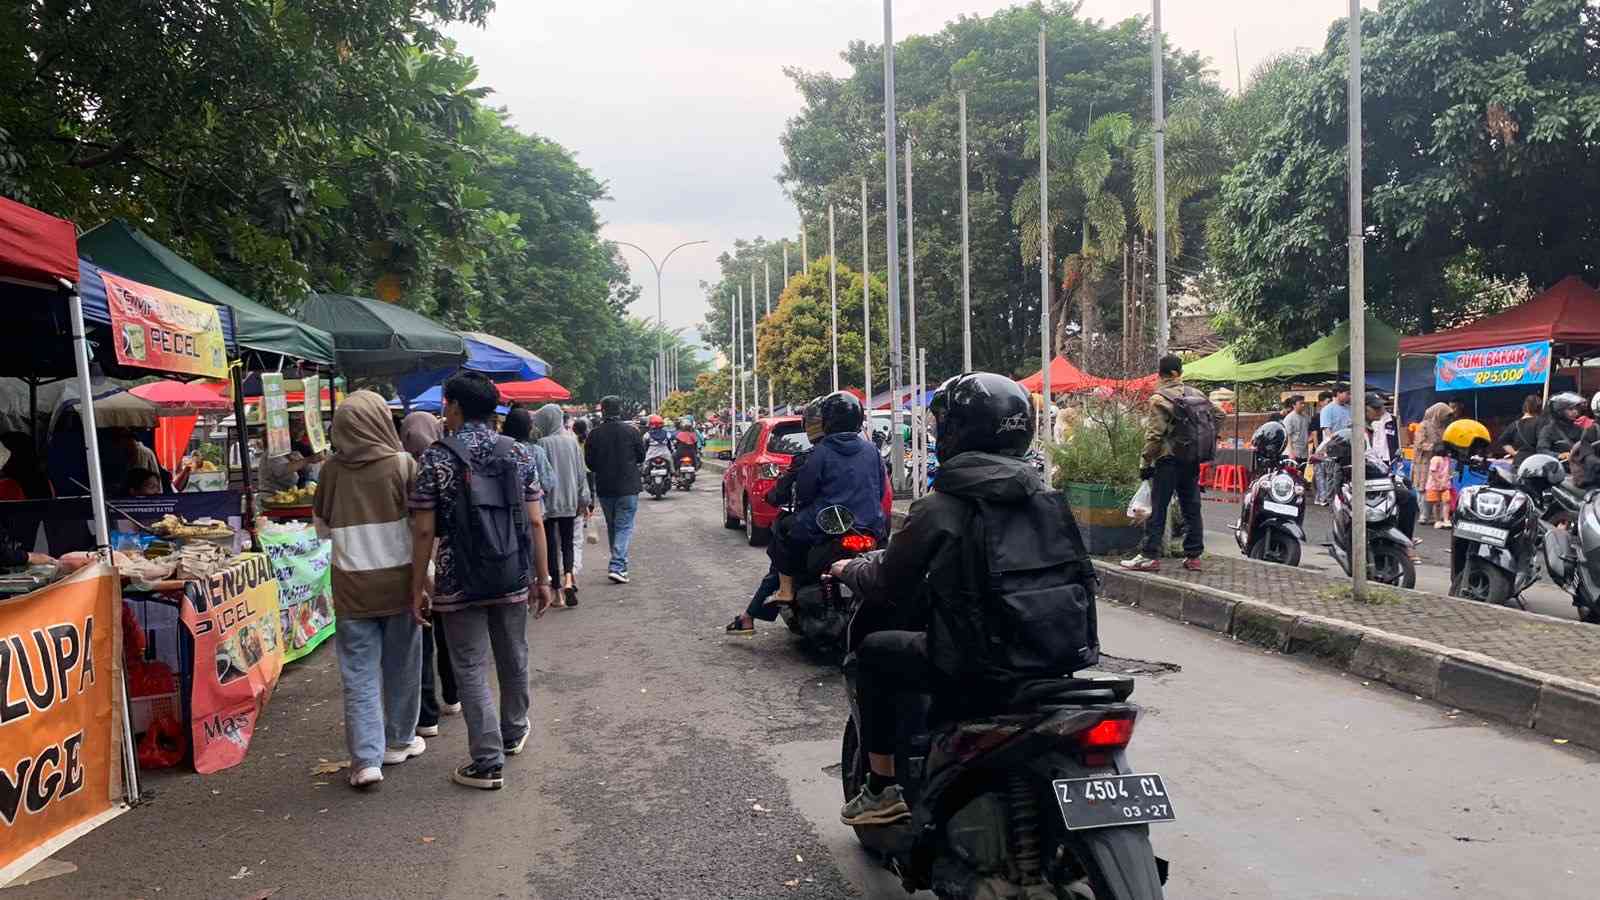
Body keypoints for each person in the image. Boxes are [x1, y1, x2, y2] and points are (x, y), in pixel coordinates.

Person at [828, 373, 1098, 825]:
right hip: (1055, 656)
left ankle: (880, 789)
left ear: (954, 433)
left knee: (873, 654)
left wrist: (847, 568)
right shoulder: (1049, 500)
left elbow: (889, 582)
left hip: (976, 661)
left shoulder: (940, 507)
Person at [409, 371, 552, 791]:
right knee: (513, 654)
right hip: (510, 570)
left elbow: (422, 531)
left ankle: (487, 762)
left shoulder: (435, 458)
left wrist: (417, 584)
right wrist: (543, 578)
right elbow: (535, 520)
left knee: (469, 664)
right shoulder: (517, 453)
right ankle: (514, 730)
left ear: (452, 406)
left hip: (457, 577)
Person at [313, 391, 425, 790]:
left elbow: (321, 527)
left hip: (351, 588)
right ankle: (399, 740)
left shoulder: (331, 472)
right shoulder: (402, 465)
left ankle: (365, 760)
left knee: (358, 674)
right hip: (399, 584)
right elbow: (421, 526)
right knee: (403, 666)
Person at [768, 392, 886, 604]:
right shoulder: (872, 451)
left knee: (782, 528)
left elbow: (805, 492)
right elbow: (880, 491)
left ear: (826, 421)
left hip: (826, 524)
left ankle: (786, 590)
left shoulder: (820, 452)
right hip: (870, 525)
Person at [1120, 354, 1222, 573]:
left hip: (1167, 460)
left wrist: (1146, 461)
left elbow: (1154, 436)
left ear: (1161, 374)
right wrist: (1203, 437)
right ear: (1179, 372)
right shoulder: (1197, 394)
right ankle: (1193, 556)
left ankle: (1149, 556)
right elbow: (1219, 415)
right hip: (1192, 459)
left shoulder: (1160, 399)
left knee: (1158, 507)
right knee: (1191, 507)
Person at [400, 411, 458, 738]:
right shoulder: (444, 459)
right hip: (443, 559)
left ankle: (427, 716)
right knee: (447, 633)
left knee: (421, 640)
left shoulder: (400, 465)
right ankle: (453, 696)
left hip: (413, 560)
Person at [533, 403, 589, 608]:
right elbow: (581, 473)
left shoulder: (541, 444)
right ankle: (568, 579)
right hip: (569, 501)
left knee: (550, 546)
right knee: (568, 543)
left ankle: (557, 593)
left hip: (548, 503)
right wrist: (584, 501)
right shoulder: (572, 443)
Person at [584, 396, 644, 584]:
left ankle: (619, 565)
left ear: (602, 411)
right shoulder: (632, 431)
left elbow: (590, 463)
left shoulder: (594, 434)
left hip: (605, 487)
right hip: (628, 487)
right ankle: (617, 566)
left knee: (613, 526)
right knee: (624, 526)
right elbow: (641, 456)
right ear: (620, 411)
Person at [1314, 386, 1352, 505]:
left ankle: (1344, 499)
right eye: (1347, 393)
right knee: (1332, 475)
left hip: (1348, 448)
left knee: (1346, 474)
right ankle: (1331, 501)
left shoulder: (1349, 409)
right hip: (1334, 448)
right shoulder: (1327, 409)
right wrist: (1336, 443)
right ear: (1338, 393)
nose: (1349, 396)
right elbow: (1327, 430)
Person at [571, 416, 597, 577]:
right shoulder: (589, 439)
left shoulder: (573, 441)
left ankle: (585, 514)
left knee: (581, 493)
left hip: (578, 472)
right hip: (589, 470)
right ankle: (589, 515)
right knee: (591, 493)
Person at [1498, 394, 1545, 467]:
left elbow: (1502, 441)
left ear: (1524, 407)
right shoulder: (1541, 422)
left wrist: (1514, 453)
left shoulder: (1514, 425)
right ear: (1539, 408)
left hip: (1519, 462)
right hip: (1537, 462)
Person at [1538, 392, 1587, 458]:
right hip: (1560, 465)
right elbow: (1542, 450)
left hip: (1578, 465)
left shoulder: (1578, 428)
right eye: (1570, 409)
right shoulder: (1548, 430)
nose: (1575, 412)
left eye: (1576, 408)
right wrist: (1559, 455)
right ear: (1559, 411)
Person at [1282, 395, 1311, 462]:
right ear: (1294, 405)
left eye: (1304, 403)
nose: (1303, 405)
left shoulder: (1306, 417)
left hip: (1304, 453)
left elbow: (1308, 431)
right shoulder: (1289, 418)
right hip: (1293, 453)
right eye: (1301, 403)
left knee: (1302, 471)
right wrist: (1291, 452)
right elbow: (1287, 436)